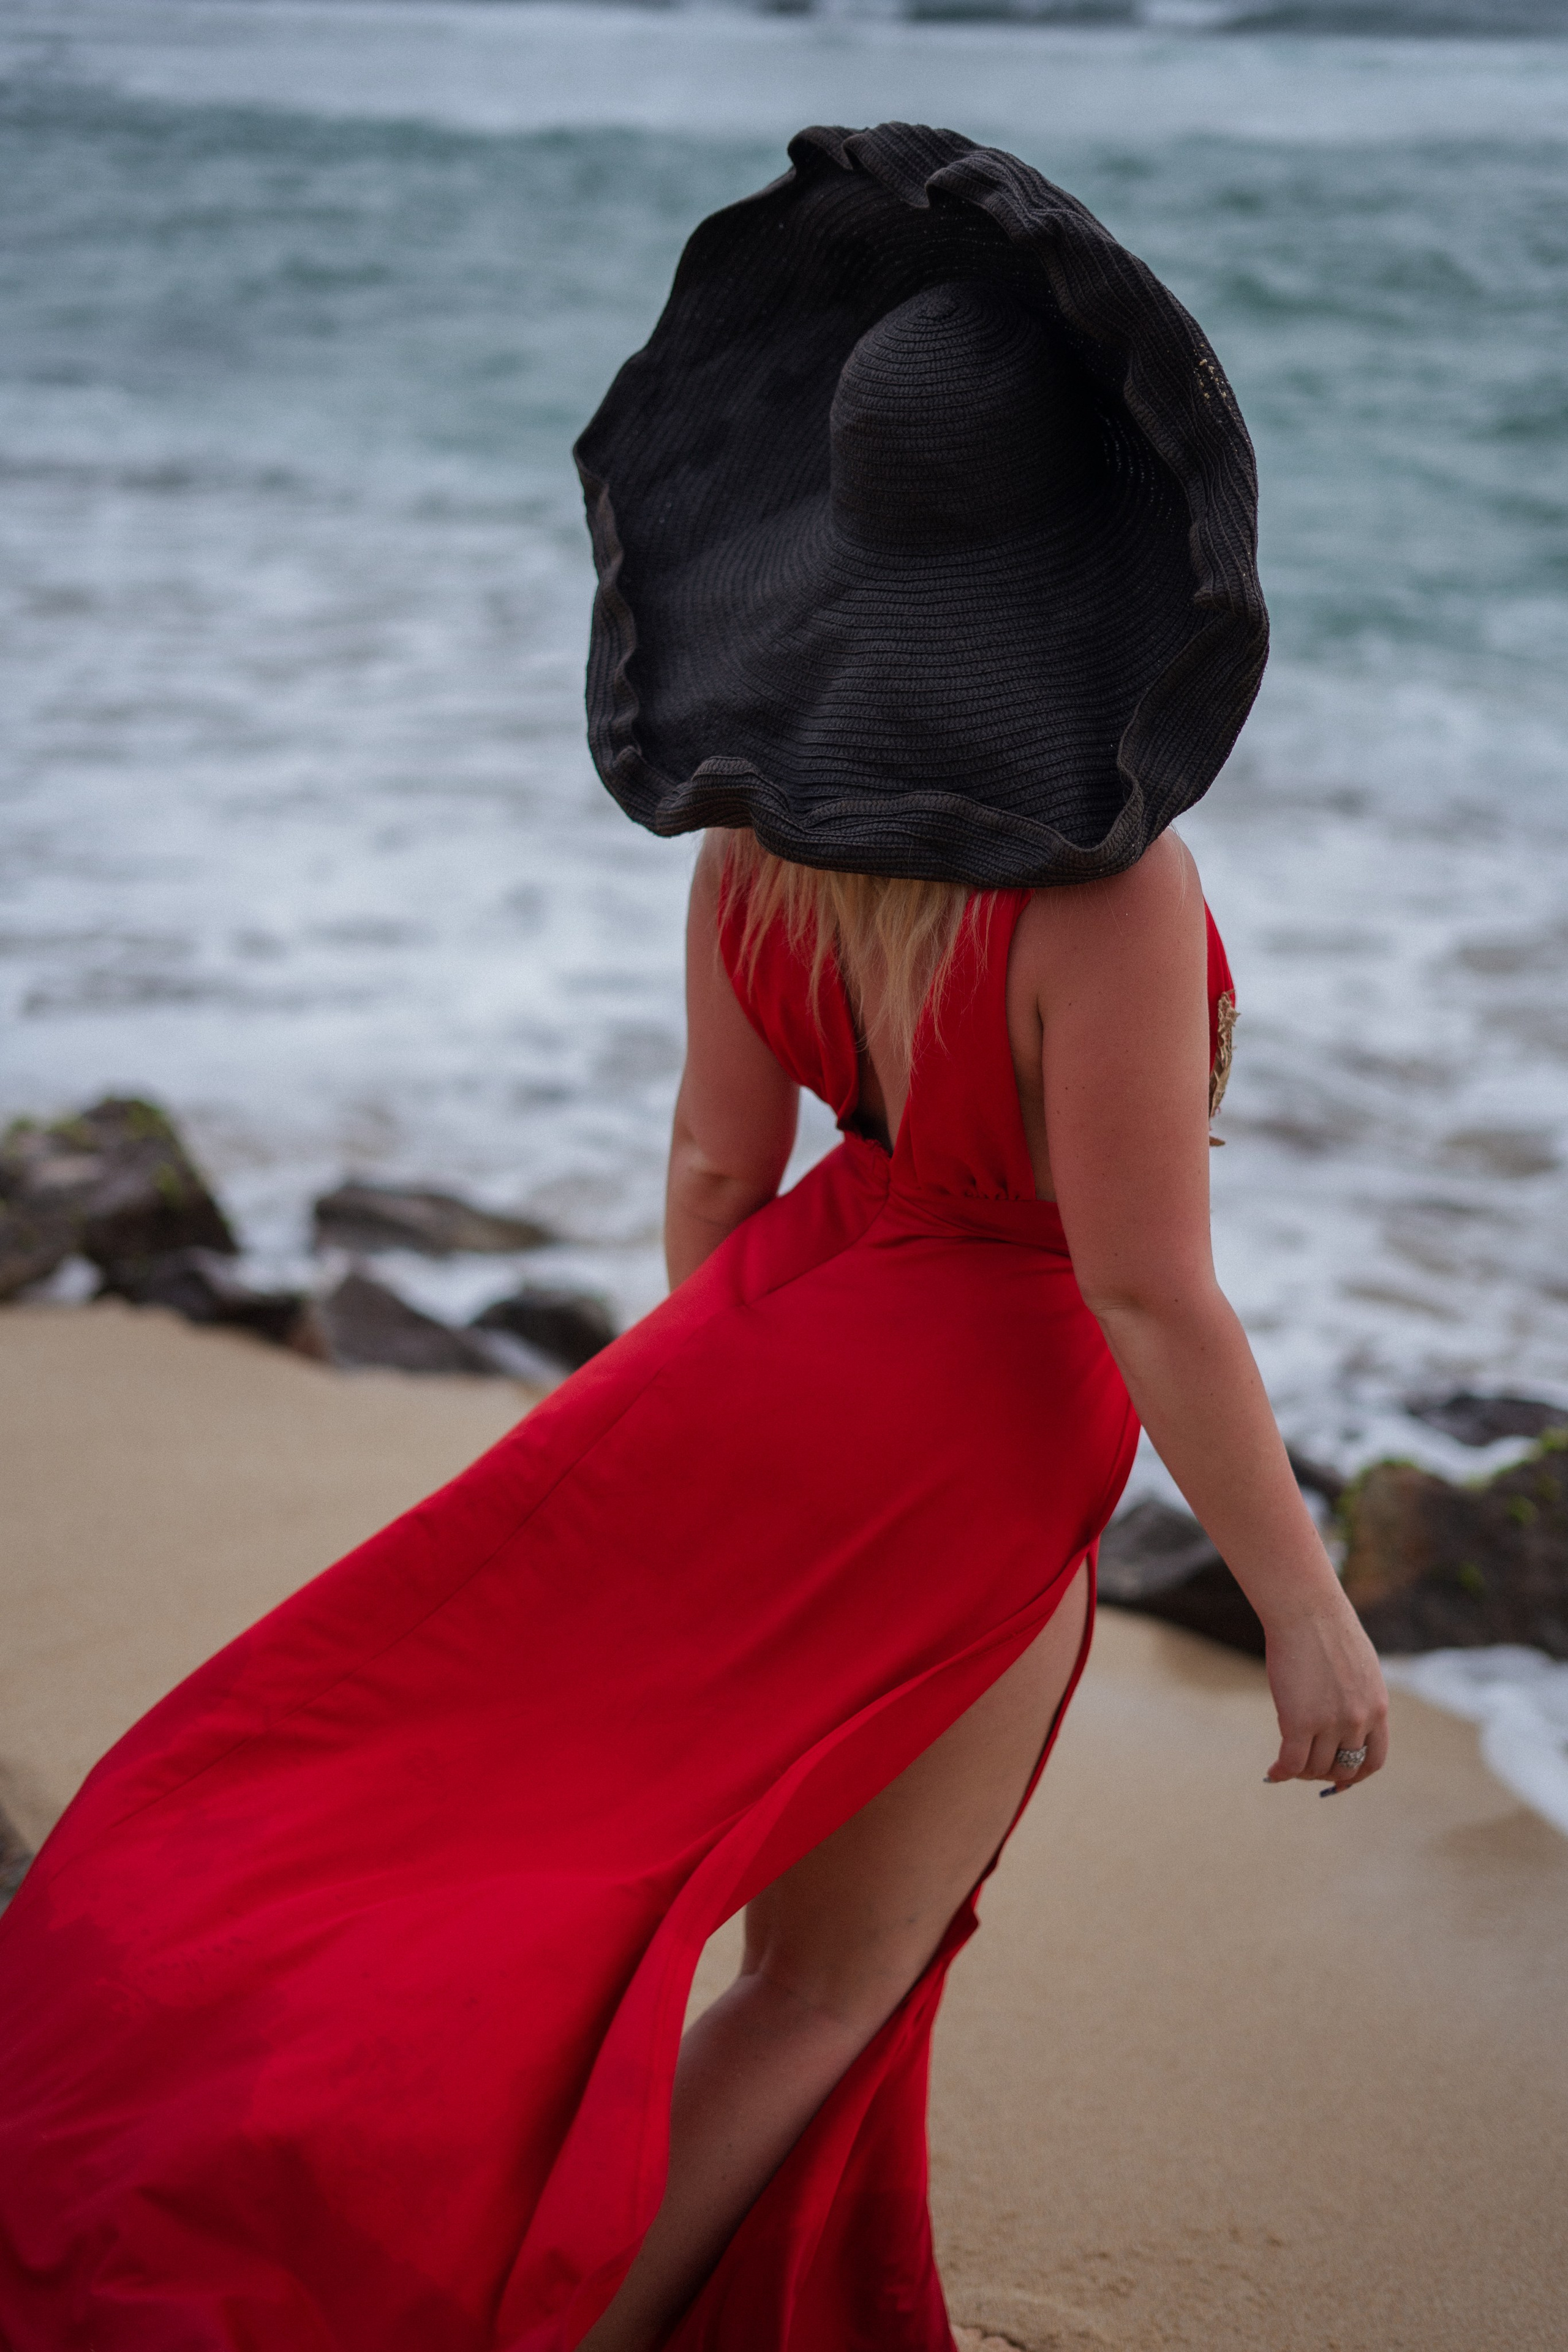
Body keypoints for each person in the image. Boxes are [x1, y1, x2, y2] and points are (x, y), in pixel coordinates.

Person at [0, 124, 1387, 2352]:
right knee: (823, 1979)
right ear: (1094, 545)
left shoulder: (755, 831)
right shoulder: (1107, 892)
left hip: (760, 1350)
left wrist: (717, 1444)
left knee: (551, 1874)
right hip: (971, 1436)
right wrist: (1305, 1605)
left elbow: (719, 1178)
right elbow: (1141, 1279)